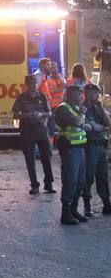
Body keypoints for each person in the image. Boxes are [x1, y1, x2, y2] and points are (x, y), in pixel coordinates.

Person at [12, 75, 55, 195]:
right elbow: (15, 114)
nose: (33, 85)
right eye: (31, 83)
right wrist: (26, 115)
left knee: (46, 157)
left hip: (41, 129)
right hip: (27, 130)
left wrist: (41, 115)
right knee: (29, 159)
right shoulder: (21, 98)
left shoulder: (42, 96)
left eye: (35, 83)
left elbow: (49, 112)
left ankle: (49, 184)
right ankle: (34, 185)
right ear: (26, 84)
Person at [54, 85, 88, 225]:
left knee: (80, 181)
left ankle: (73, 209)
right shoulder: (63, 108)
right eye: (77, 93)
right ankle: (65, 213)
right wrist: (81, 114)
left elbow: (82, 125)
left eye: (81, 93)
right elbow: (76, 122)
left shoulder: (75, 109)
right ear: (69, 94)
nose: (80, 96)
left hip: (80, 149)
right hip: (70, 150)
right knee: (70, 180)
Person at [81, 84, 111, 216]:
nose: (97, 95)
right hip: (90, 145)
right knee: (89, 176)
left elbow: (108, 122)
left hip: (100, 146)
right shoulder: (84, 108)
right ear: (87, 93)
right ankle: (87, 205)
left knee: (103, 175)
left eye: (97, 93)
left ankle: (106, 203)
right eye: (94, 93)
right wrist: (102, 127)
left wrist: (102, 108)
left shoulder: (98, 107)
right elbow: (95, 127)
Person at [39, 60, 65, 148]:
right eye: (52, 67)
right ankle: (50, 145)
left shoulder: (60, 77)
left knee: (62, 126)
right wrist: (60, 89)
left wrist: (59, 78)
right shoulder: (47, 79)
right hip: (52, 106)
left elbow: (65, 85)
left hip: (60, 106)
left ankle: (61, 143)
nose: (54, 69)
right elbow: (50, 91)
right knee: (51, 127)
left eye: (55, 67)